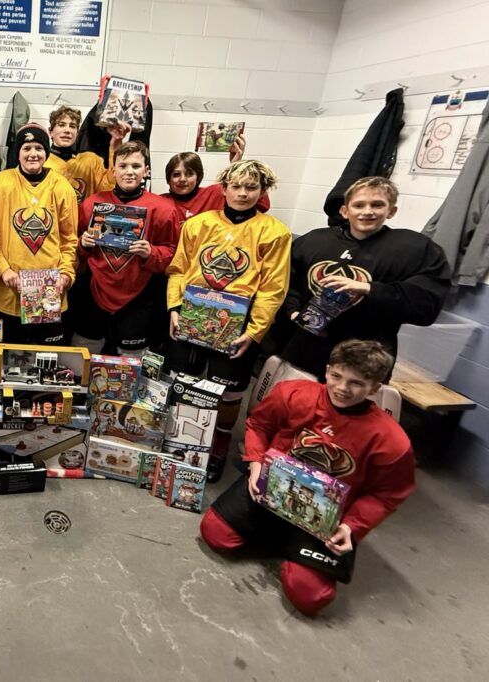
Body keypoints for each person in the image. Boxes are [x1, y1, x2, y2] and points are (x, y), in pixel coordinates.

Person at [200, 340, 415, 617]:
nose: (342, 388)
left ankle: (294, 545)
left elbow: (388, 494)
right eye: (336, 376)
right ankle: (287, 540)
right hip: (271, 488)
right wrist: (255, 464)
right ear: (327, 371)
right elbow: (259, 424)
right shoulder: (293, 393)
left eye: (356, 383)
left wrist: (351, 527)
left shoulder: (391, 440)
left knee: (310, 596)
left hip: (325, 515)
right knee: (215, 533)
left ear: (374, 388)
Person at [166, 159, 291, 482]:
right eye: (236, 186)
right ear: (223, 189)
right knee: (185, 377)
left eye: (251, 187)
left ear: (263, 191)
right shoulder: (198, 225)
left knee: (229, 389)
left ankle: (220, 437)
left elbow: (273, 288)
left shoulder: (274, 232)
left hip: (239, 321)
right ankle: (181, 433)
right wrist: (174, 308)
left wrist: (255, 330)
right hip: (193, 313)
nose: (242, 193)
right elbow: (179, 269)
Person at [279, 177, 450, 377]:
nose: (367, 211)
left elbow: (426, 305)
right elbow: (286, 283)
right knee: (293, 402)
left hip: (367, 355)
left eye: (377, 205)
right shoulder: (313, 241)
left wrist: (368, 288)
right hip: (305, 347)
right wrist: (292, 311)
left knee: (348, 405)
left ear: (391, 211)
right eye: (359, 205)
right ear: (344, 211)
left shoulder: (415, 250)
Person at [72, 141, 181, 354]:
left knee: (132, 358)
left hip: (139, 294)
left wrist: (151, 253)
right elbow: (72, 246)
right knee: (84, 349)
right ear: (113, 170)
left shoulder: (164, 209)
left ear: (146, 170)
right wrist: (82, 244)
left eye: (136, 166)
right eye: (123, 166)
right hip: (95, 291)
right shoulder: (91, 204)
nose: (129, 172)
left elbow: (172, 252)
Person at [0, 123, 78, 344]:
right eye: (27, 148)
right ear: (18, 153)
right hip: (8, 295)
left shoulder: (61, 187)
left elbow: (70, 239)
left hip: (50, 295)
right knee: (7, 362)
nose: (33, 154)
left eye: (39, 148)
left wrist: (65, 274)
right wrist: (3, 270)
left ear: (46, 152)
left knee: (47, 363)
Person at [160, 134, 272, 223]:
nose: (182, 179)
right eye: (176, 174)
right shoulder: (160, 201)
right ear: (168, 178)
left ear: (198, 177)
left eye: (189, 174)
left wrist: (235, 166)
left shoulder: (215, 192)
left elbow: (262, 205)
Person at [44, 105, 129, 203]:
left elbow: (108, 187)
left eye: (72, 126)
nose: (67, 130)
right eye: (61, 125)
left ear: (77, 133)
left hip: (84, 218)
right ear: (50, 132)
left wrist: (115, 145)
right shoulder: (41, 164)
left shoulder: (91, 161)